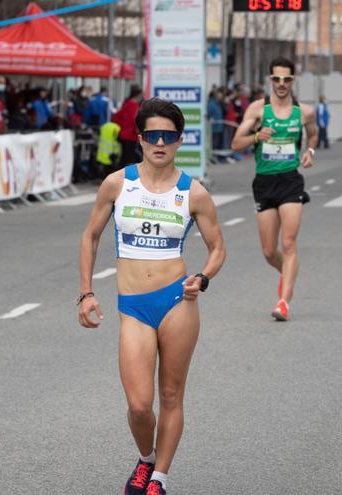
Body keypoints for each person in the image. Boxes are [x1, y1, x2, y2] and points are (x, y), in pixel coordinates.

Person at [78, 98, 226, 495]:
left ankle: (159, 477)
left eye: (169, 136)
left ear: (179, 141)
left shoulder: (193, 193)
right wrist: (86, 293)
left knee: (172, 395)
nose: (160, 142)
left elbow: (217, 249)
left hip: (177, 301)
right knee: (141, 404)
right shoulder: (117, 184)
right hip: (134, 306)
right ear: (139, 139)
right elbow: (90, 236)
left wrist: (203, 277)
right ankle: (145, 458)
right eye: (152, 135)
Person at [230, 57, 318, 321]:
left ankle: (283, 302)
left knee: (288, 243)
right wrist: (257, 136)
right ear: (271, 80)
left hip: (291, 180)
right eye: (277, 79)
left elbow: (313, 134)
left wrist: (310, 151)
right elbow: (236, 143)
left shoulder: (304, 112)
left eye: (287, 79)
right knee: (269, 251)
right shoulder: (257, 110)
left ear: (293, 80)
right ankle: (288, 272)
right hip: (264, 182)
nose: (282, 84)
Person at [113, 85, 143, 169]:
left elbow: (116, 116)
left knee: (124, 157)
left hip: (123, 134)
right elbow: (135, 120)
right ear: (138, 95)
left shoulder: (126, 104)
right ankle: (124, 177)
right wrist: (136, 129)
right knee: (129, 158)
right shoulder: (134, 106)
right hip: (131, 136)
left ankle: (119, 175)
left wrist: (122, 126)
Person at [206, 89, 224, 153]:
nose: (221, 97)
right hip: (214, 128)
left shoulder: (217, 103)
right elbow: (208, 115)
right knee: (214, 143)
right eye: (218, 95)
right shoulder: (211, 104)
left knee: (218, 143)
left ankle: (217, 156)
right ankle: (213, 156)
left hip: (219, 127)